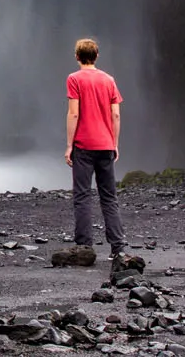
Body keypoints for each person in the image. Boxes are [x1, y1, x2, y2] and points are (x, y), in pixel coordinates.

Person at [64, 37, 126, 257]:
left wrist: (69, 145)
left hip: (83, 145)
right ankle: (118, 247)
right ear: (97, 55)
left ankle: (84, 247)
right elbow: (116, 114)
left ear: (77, 56)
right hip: (105, 145)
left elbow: (74, 113)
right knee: (109, 197)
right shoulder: (109, 80)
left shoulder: (74, 79)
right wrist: (114, 143)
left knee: (82, 195)